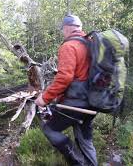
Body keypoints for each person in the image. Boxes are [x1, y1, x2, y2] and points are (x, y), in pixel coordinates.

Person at [35, 14, 98, 166]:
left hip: (74, 104)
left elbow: (65, 77)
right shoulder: (90, 43)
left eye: (63, 29)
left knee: (49, 129)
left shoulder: (69, 46)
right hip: (92, 102)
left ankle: (79, 163)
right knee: (85, 140)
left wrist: (44, 98)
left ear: (68, 28)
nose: (63, 32)